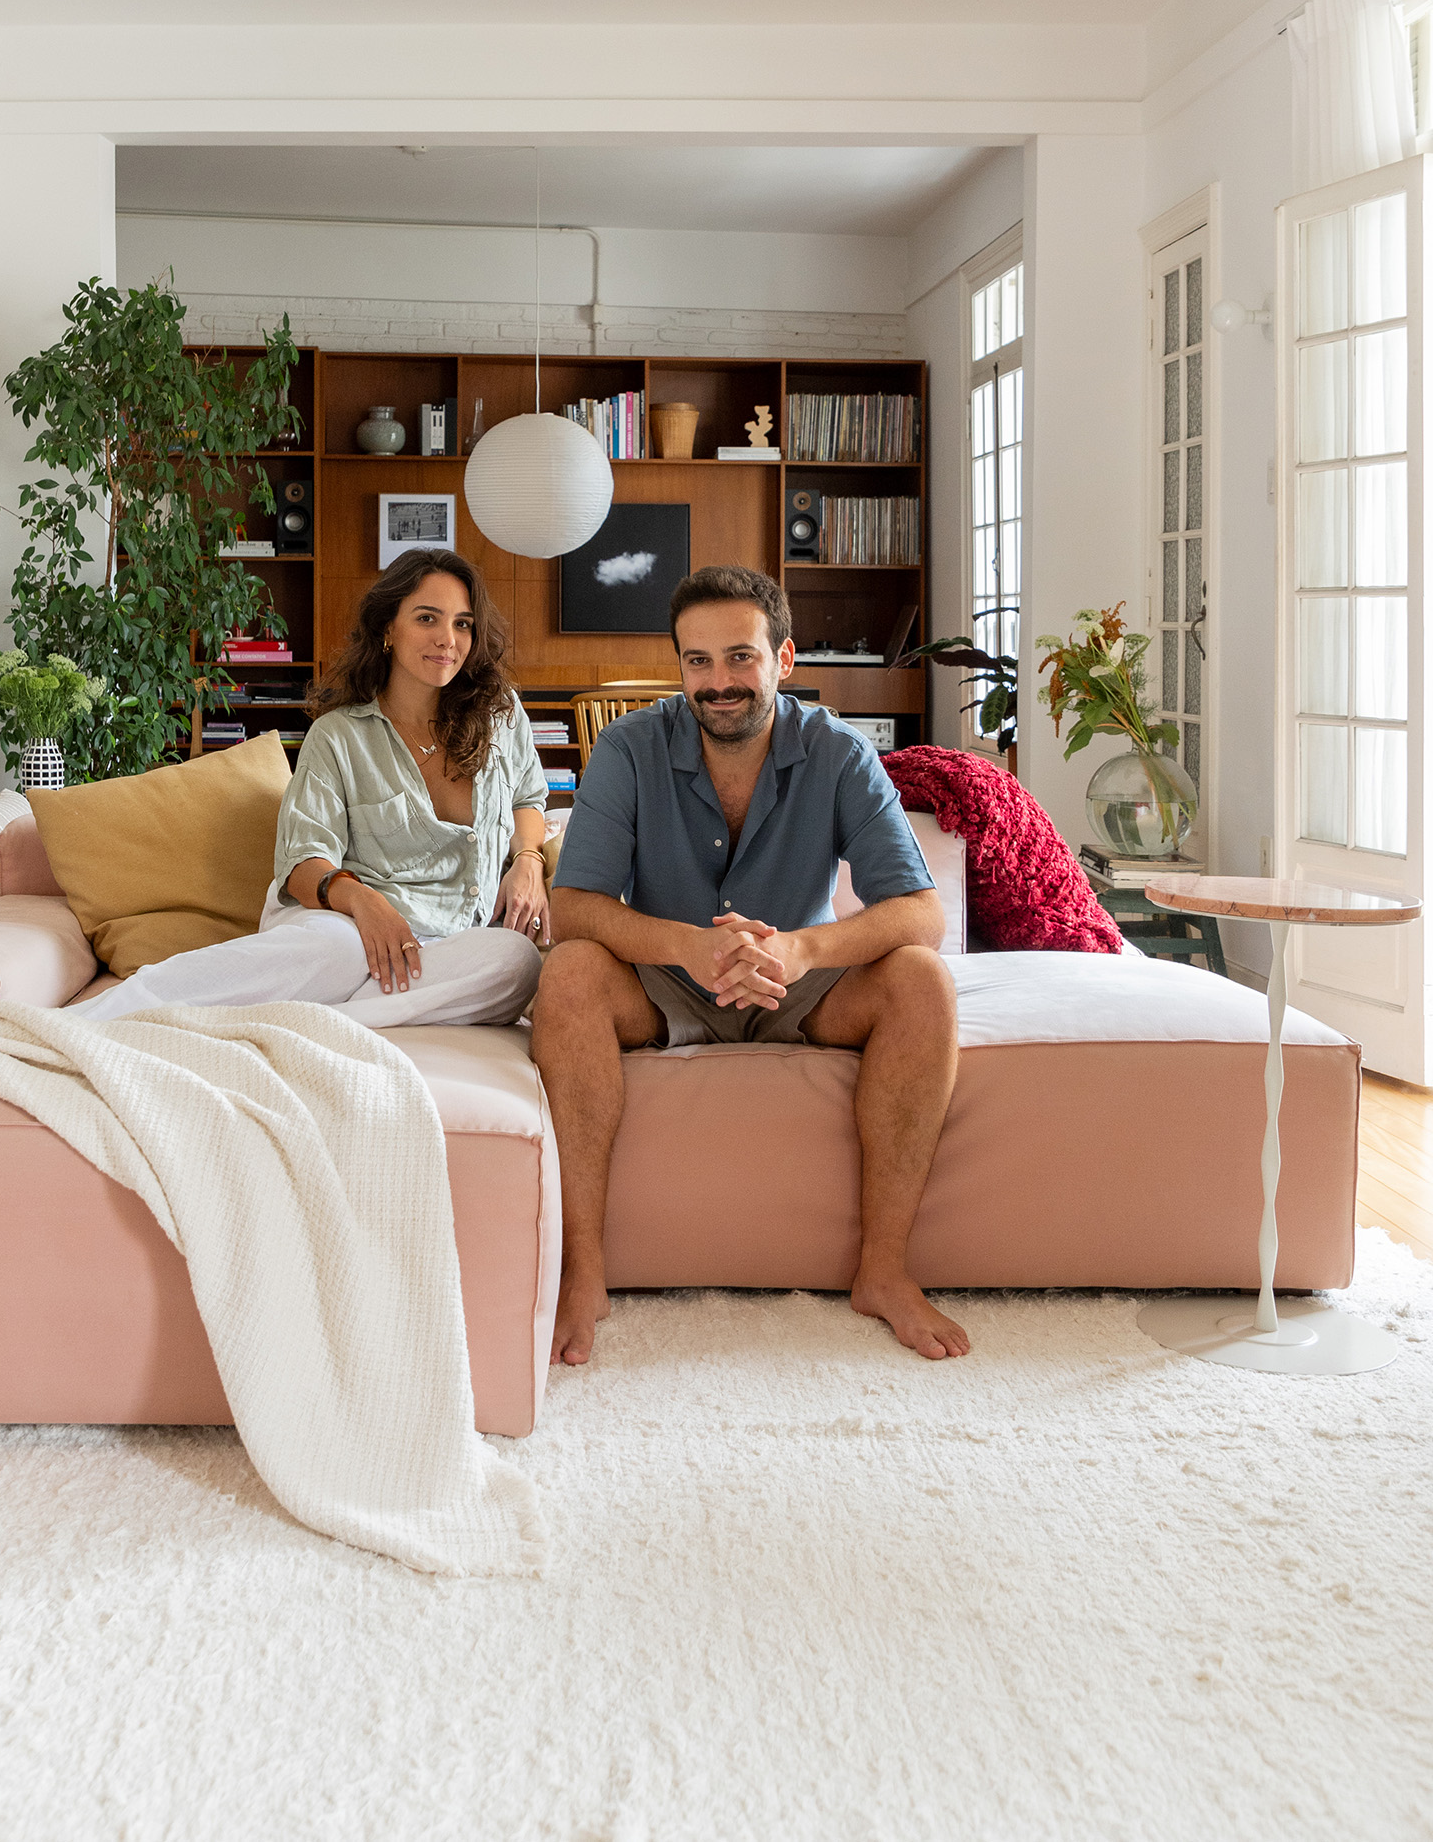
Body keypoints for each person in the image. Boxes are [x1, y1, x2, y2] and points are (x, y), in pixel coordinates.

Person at [532, 564, 968, 1368]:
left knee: (923, 979)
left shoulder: (839, 750)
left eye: (740, 657)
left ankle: (883, 1270)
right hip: (665, 979)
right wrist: (686, 944)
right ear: (679, 667)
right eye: (698, 661)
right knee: (569, 974)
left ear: (784, 658)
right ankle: (582, 1269)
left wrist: (799, 948)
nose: (719, 681)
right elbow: (575, 908)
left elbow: (921, 912)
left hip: (800, 984)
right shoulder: (629, 747)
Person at [73, 549, 549, 1029]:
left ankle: (311, 1016)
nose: (448, 639)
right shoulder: (339, 735)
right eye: (427, 618)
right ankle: (101, 1017)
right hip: (343, 920)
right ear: (388, 627)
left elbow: (527, 797)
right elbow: (302, 862)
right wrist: (367, 904)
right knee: (339, 953)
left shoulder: (500, 715)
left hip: (448, 943)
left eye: (463, 624)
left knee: (516, 962)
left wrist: (528, 860)